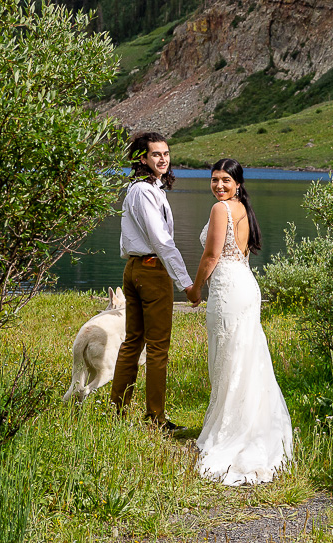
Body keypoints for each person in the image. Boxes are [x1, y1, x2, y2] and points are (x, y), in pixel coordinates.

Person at [190, 158, 293, 484]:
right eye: (214, 179)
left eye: (225, 180)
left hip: (229, 289)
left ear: (238, 183)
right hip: (245, 285)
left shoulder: (222, 210)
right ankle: (247, 424)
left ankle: (232, 431)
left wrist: (194, 289)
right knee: (244, 357)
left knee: (230, 358)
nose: (218, 185)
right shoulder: (242, 208)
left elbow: (211, 256)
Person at [110, 132, 198, 430]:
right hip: (151, 270)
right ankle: (156, 418)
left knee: (132, 341)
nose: (163, 159)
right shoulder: (145, 192)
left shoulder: (139, 189)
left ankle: (118, 413)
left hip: (134, 268)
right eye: (156, 154)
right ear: (142, 159)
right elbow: (162, 241)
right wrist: (185, 283)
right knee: (157, 347)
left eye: (166, 154)